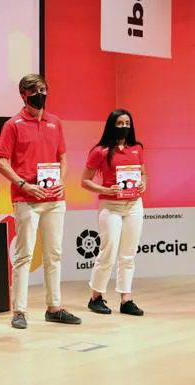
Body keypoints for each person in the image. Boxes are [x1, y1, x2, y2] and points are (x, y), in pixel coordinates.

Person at [0, 73, 82, 329]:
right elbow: (1, 162)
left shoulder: (55, 122)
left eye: (43, 89)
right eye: (35, 90)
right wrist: (23, 184)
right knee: (24, 255)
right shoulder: (13, 124)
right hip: (26, 199)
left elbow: (63, 157)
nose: (40, 94)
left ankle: (54, 307)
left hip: (55, 199)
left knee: (54, 254)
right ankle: (19, 311)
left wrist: (61, 180)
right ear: (24, 95)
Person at [81, 109, 146, 316]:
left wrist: (143, 184)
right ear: (112, 125)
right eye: (119, 123)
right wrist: (105, 190)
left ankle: (126, 298)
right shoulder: (99, 151)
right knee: (108, 251)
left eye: (127, 123)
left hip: (134, 205)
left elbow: (143, 173)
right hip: (111, 206)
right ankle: (96, 296)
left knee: (128, 254)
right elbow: (84, 181)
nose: (124, 126)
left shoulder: (136, 148)